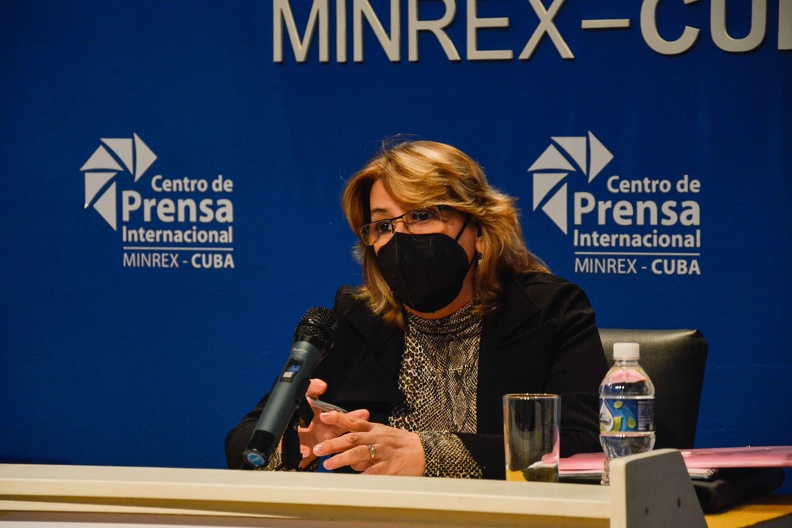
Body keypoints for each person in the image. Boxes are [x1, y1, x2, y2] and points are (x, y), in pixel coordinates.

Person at [225, 139, 608, 479]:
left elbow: (586, 446)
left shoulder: (547, 311)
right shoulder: (356, 321)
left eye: (422, 216)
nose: (401, 238)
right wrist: (297, 446)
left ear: (478, 230)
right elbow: (245, 439)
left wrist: (428, 454)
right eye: (383, 225)